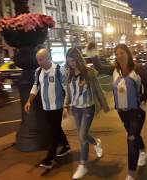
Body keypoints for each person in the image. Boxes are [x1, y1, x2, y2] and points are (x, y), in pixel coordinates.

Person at [92, 44, 147, 180]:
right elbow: (100, 68)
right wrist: (93, 53)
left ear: (128, 53)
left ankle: (131, 173)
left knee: (131, 139)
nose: (119, 55)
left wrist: (142, 101)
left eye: (122, 52)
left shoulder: (138, 69)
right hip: (122, 112)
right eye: (117, 53)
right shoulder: (115, 70)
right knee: (133, 134)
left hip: (137, 111)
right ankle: (143, 151)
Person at [63, 48, 110, 179]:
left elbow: (98, 89)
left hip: (88, 107)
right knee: (82, 135)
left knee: (82, 136)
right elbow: (68, 92)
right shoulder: (69, 73)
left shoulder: (88, 72)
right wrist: (66, 105)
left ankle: (83, 165)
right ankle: (96, 142)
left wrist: (104, 105)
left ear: (78, 59)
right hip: (76, 108)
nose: (71, 63)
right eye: (69, 61)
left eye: (73, 60)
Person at [24, 48, 70, 169]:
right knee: (56, 128)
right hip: (46, 107)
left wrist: (66, 106)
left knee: (53, 132)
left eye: (41, 59)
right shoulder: (38, 71)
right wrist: (29, 100)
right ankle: (66, 145)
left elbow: (66, 89)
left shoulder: (59, 70)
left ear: (48, 57)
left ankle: (49, 159)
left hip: (58, 107)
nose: (39, 62)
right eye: (38, 60)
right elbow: (35, 86)